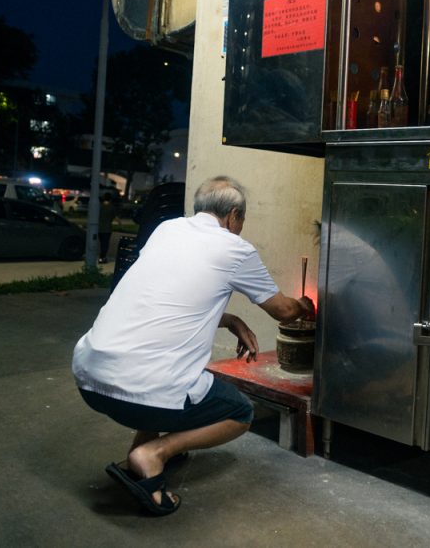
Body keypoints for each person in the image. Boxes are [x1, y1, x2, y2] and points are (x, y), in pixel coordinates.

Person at [71, 176, 315, 516]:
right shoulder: (235, 248)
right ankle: (154, 454)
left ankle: (137, 458)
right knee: (239, 412)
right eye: (242, 221)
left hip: (89, 377)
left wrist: (231, 320)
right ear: (233, 216)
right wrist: (307, 305)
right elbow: (284, 311)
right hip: (138, 385)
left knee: (161, 374)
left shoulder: (167, 230)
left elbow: (169, 300)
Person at [97, 191, 119, 263]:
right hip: (107, 228)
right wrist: (119, 222)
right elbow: (114, 217)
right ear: (110, 199)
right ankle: (102, 258)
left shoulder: (100, 206)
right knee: (105, 244)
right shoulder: (111, 207)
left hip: (99, 228)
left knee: (101, 243)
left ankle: (101, 257)